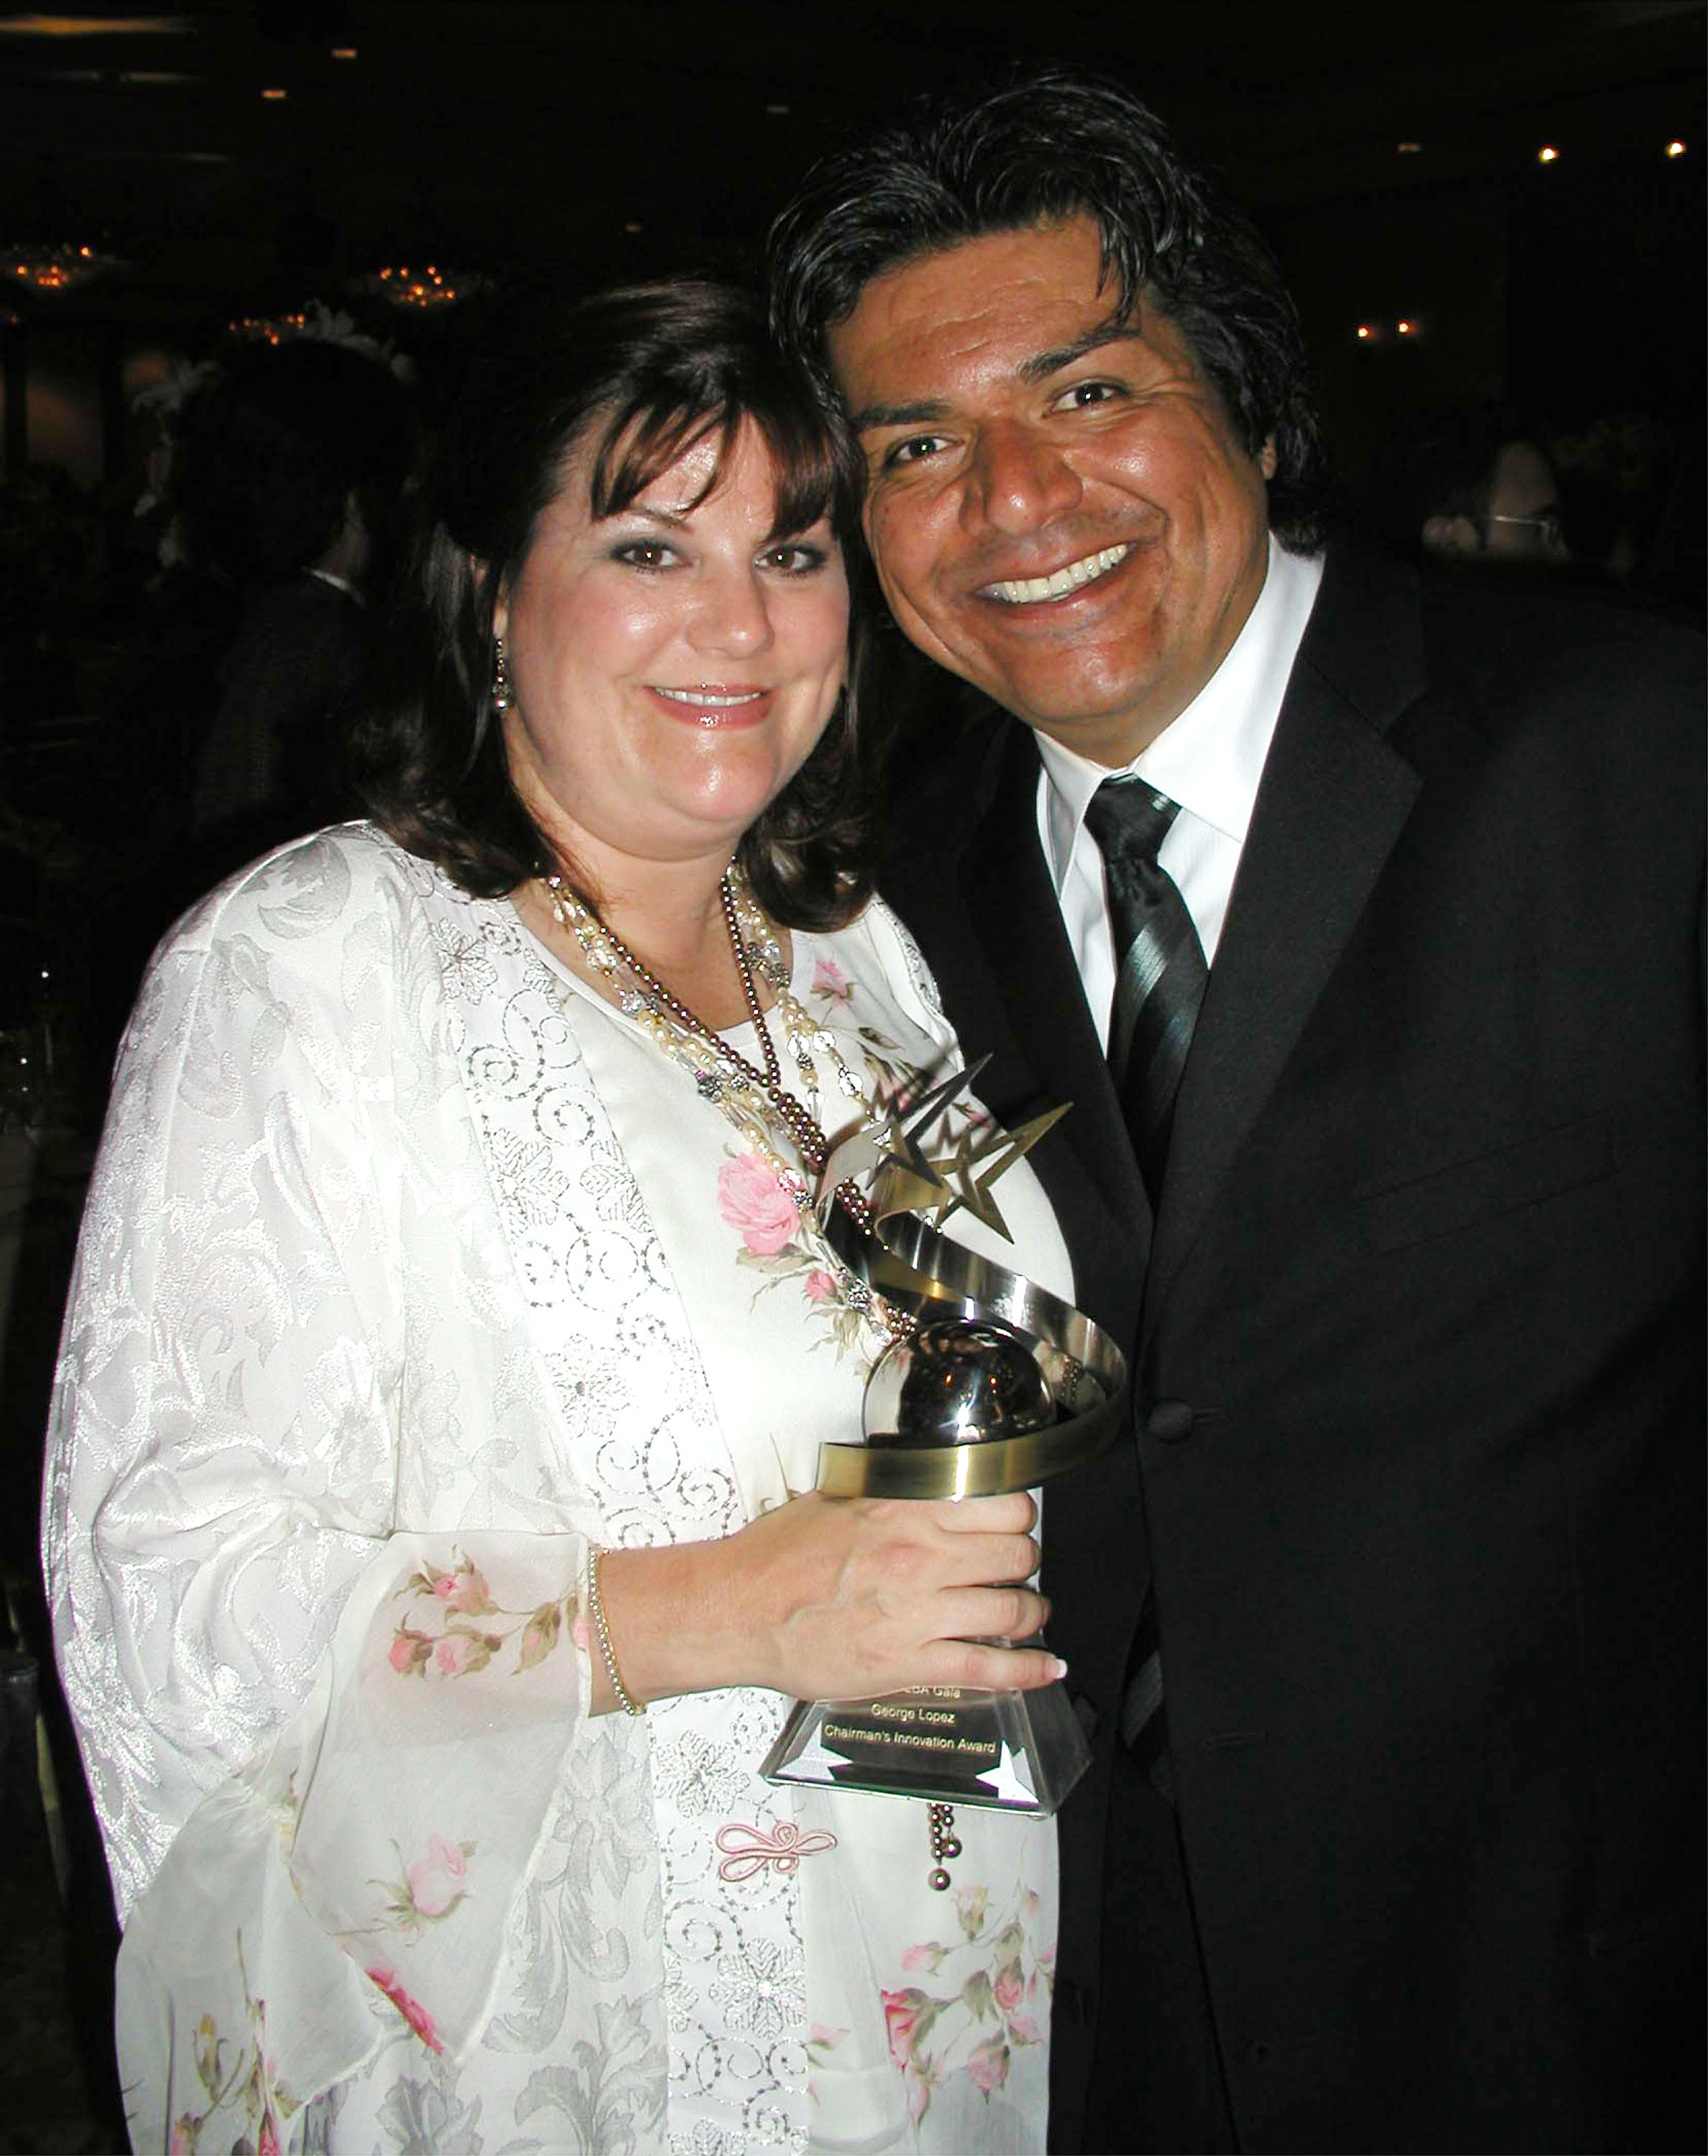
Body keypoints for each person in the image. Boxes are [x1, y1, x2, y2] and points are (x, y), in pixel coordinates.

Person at [767, 72, 1705, 2155]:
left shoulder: (1637, 759)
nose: (1012, 499)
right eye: (915, 445)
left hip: (1572, 1989)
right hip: (1085, 1998)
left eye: (1087, 395)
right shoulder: (886, 903)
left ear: (1254, 412)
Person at [43, 282, 1071, 2153]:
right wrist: (704, 1613)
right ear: (490, 592)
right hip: (592, 2042)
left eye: (793, 548)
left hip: (930, 1962)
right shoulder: (316, 971)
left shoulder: (856, 953)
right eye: (645, 545)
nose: (740, 624)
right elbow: (169, 1592)